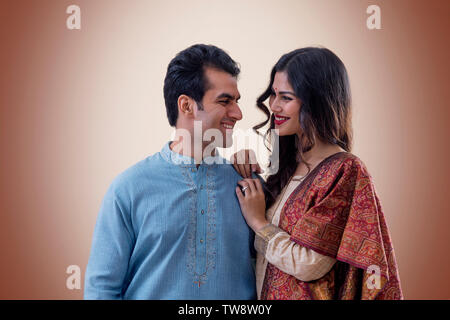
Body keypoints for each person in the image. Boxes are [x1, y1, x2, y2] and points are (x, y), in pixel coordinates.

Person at [84, 44, 256, 299]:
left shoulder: (249, 187)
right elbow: (102, 290)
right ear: (186, 106)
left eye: (237, 101)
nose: (238, 113)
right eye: (225, 101)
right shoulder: (129, 188)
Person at [232, 47, 403, 299]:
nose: (274, 106)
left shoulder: (345, 171)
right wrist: (243, 169)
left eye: (286, 98)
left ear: (317, 103)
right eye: (273, 94)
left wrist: (259, 222)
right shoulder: (288, 165)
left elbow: (309, 264)